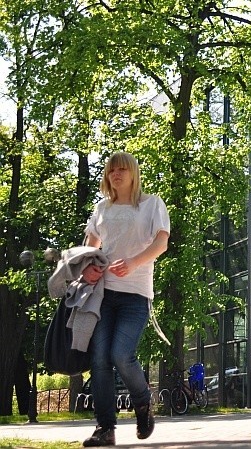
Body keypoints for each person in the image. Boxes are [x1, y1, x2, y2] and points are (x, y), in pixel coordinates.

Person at [80, 152, 170, 447]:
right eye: (111, 170)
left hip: (136, 294)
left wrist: (133, 262)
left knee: (121, 354)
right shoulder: (101, 208)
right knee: (100, 359)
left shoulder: (152, 204)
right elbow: (89, 246)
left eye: (122, 169)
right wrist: (89, 267)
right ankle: (105, 428)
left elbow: (161, 242)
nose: (116, 174)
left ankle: (142, 402)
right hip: (102, 295)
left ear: (133, 173)